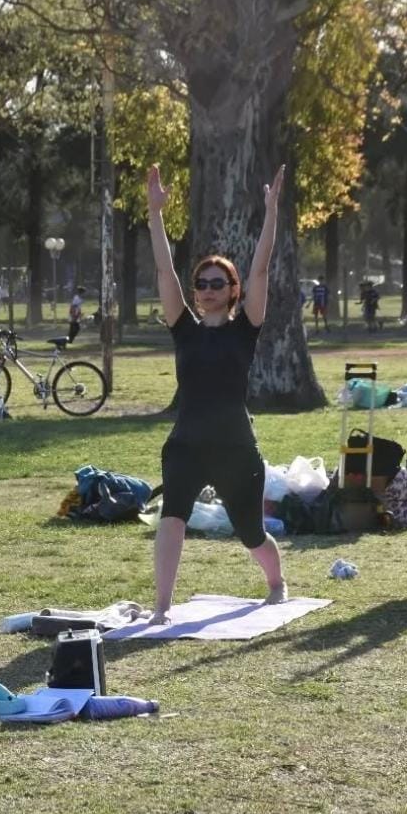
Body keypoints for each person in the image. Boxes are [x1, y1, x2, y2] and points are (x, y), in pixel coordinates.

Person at [145, 163, 288, 624]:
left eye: (216, 283)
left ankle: (275, 582)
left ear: (232, 290)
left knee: (251, 534)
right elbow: (165, 270)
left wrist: (271, 214)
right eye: (201, 283)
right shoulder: (183, 328)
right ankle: (161, 608)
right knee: (173, 518)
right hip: (186, 442)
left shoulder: (245, 329)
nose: (206, 290)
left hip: (235, 447)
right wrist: (155, 214)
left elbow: (262, 267)